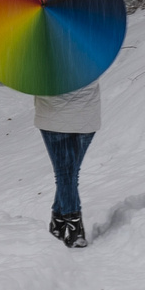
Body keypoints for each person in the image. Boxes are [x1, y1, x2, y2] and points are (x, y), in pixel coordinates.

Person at [35, 80, 99, 248]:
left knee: (66, 175)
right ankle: (58, 223)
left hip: (54, 119)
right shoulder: (92, 53)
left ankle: (74, 227)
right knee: (69, 174)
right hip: (87, 118)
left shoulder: (41, 55)